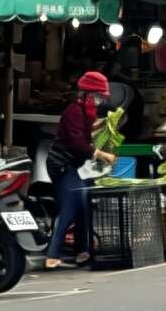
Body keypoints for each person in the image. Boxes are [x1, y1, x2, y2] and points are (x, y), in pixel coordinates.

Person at [45, 71, 115, 270]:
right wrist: (102, 154)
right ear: (86, 95)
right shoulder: (73, 112)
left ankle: (82, 252)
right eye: (98, 96)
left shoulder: (86, 111)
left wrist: (102, 126)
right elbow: (78, 144)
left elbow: (85, 132)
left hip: (76, 165)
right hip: (63, 165)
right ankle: (52, 255)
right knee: (71, 205)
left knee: (83, 205)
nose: (100, 100)